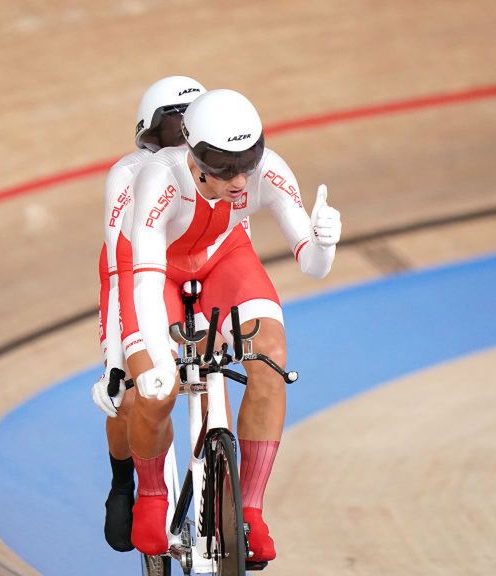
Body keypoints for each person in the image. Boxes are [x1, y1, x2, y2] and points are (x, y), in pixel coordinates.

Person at [123, 89, 342, 561]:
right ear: (193, 155)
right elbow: (144, 275)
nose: (241, 179)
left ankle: (251, 510)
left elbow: (313, 264)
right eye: (224, 167)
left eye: (249, 161)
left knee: (271, 358)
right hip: (158, 269)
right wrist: (160, 360)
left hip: (224, 259)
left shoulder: (270, 171)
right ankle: (151, 493)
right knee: (155, 391)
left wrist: (324, 242)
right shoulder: (160, 180)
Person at [90, 75, 207, 552]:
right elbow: (122, 262)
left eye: (190, 128)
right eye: (171, 130)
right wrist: (117, 362)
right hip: (133, 268)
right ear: (150, 136)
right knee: (133, 396)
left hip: (190, 269)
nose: (181, 140)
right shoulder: (130, 172)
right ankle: (123, 483)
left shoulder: (214, 170)